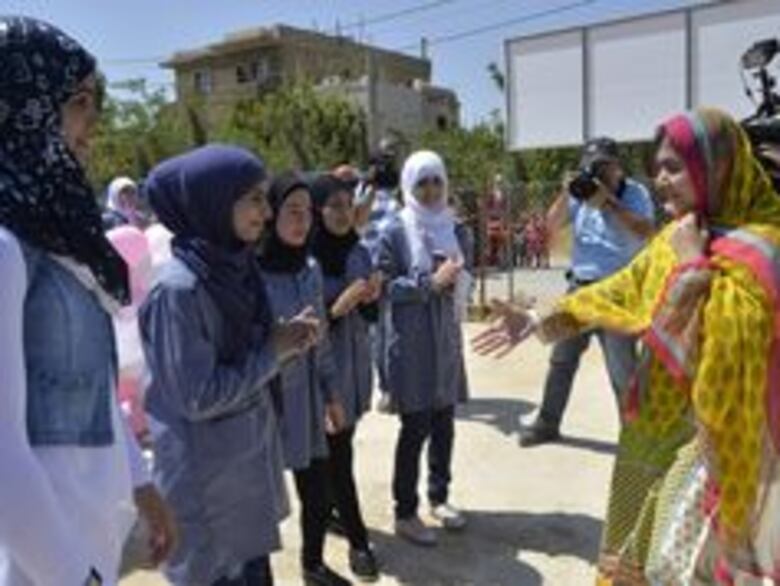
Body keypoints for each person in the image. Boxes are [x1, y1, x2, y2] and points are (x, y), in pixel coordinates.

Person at [474, 108, 780, 584]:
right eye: (657, 167)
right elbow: (620, 289)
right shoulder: (681, 236)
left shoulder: (764, 245)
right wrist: (538, 319)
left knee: (686, 567)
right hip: (658, 436)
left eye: (674, 167)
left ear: (717, 167)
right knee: (644, 559)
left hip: (726, 453)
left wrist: (690, 271)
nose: (660, 180)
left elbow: (735, 346)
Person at [0, 16, 176, 586]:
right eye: (77, 102)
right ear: (25, 104)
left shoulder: (61, 241)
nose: (93, 122)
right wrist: (75, 577)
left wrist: (142, 487)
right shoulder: (6, 248)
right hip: (35, 564)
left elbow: (97, 387)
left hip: (84, 544)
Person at [139, 145, 318, 586]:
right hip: (207, 498)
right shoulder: (179, 291)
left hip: (243, 483)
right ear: (214, 201)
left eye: (264, 196)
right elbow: (198, 396)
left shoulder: (236, 270)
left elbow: (248, 355)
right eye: (253, 198)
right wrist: (273, 352)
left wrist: (284, 340)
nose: (266, 208)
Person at [520, 137, 655, 446]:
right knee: (560, 360)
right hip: (578, 290)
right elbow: (551, 225)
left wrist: (608, 202)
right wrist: (569, 190)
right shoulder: (580, 193)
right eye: (593, 166)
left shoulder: (635, 193)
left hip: (617, 294)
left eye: (605, 165)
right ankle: (547, 423)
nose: (599, 172)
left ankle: (636, 439)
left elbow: (645, 230)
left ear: (618, 166)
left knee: (623, 372)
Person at [258, 172, 352, 586]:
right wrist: (280, 339)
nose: (301, 222)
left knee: (316, 494)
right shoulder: (251, 273)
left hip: (308, 402)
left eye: (307, 213)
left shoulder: (309, 268)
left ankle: (312, 565)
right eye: (291, 212)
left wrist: (332, 394)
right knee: (261, 503)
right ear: (270, 215)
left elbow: (322, 340)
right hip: (268, 405)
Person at [377, 150, 470, 547]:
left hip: (446, 339)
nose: (431, 191)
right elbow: (384, 287)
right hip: (412, 344)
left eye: (436, 181)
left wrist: (452, 282)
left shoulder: (455, 229)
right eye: (422, 183)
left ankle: (439, 496)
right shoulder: (395, 229)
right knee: (414, 427)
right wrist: (428, 283)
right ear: (408, 187)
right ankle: (404, 511)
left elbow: (465, 277)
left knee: (444, 423)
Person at [310, 174, 382, 581]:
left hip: (354, 369)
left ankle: (332, 512)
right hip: (323, 373)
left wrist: (371, 298)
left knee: (339, 449)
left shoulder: (359, 250)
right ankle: (358, 542)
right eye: (332, 206)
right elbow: (304, 322)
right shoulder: (304, 259)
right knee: (338, 459)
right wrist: (338, 306)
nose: (341, 214)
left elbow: (371, 316)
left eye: (346, 205)